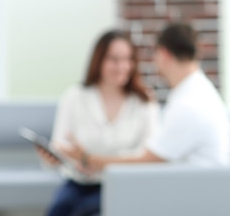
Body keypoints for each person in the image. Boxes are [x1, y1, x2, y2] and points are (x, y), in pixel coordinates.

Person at [65, 22, 230, 171]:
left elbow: (148, 161)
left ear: (164, 53)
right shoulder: (196, 92)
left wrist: (88, 159)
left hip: (196, 194)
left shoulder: (189, 104)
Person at [39, 30, 159, 216]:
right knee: (60, 209)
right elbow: (61, 147)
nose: (122, 66)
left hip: (124, 186)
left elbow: (147, 156)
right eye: (114, 59)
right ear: (99, 60)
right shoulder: (75, 96)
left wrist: (92, 159)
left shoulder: (144, 101)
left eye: (128, 59)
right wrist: (56, 159)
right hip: (81, 183)